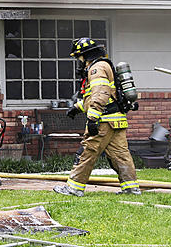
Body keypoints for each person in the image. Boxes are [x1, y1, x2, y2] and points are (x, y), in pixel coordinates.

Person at [53, 37, 141, 197]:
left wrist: (92, 119)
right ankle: (131, 188)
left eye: (79, 58)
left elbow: (101, 94)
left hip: (104, 121)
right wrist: (77, 108)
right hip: (117, 120)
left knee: (87, 152)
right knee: (121, 155)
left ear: (86, 55)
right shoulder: (104, 65)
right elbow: (98, 96)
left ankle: (73, 188)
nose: (79, 62)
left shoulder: (96, 68)